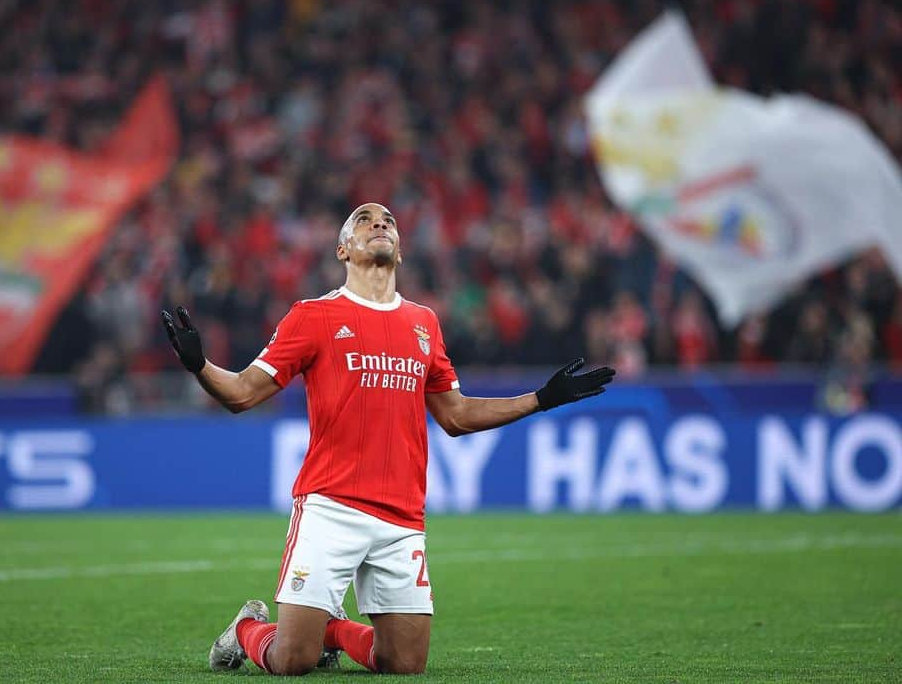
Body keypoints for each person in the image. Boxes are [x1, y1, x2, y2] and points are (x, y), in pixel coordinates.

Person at [161, 202, 616, 675]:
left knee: (405, 663)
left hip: (401, 515)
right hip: (330, 506)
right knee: (292, 659)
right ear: (343, 249)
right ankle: (246, 630)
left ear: (399, 253)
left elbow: (456, 415)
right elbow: (241, 394)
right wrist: (200, 366)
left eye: (389, 221)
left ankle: (332, 630)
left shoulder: (424, 323)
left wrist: (541, 398)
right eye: (364, 219)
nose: (379, 223)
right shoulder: (313, 316)